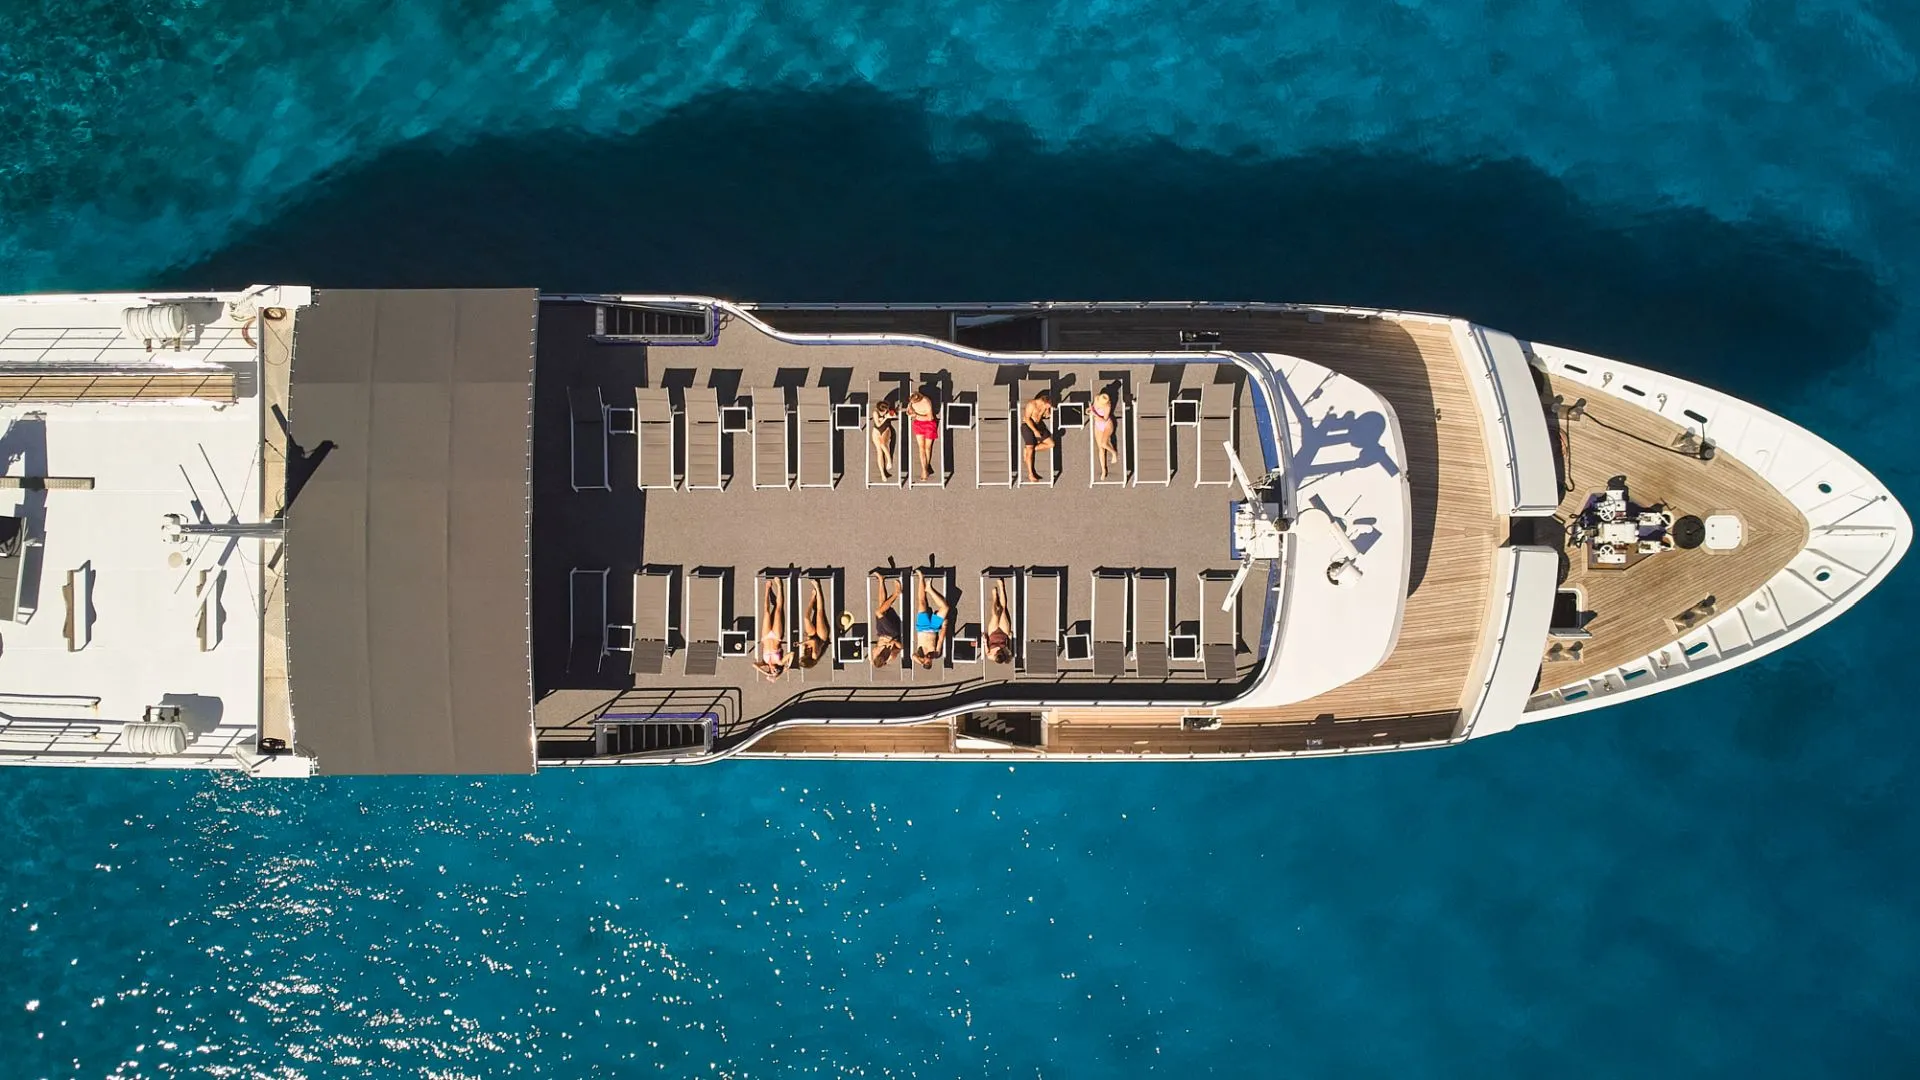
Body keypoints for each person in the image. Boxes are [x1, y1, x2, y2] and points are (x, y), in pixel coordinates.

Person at [752, 578, 792, 680]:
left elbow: (754, 665)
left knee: (766, 612)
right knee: (778, 610)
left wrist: (766, 674)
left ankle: (767, 589)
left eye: (772, 672)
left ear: (769, 670)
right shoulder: (779, 662)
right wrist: (787, 667)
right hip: (776, 637)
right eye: (776, 671)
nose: (775, 670)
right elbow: (791, 654)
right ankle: (779, 586)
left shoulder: (764, 663)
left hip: (765, 637)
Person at [911, 568, 950, 669]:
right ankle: (929, 589)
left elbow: (913, 656)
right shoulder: (936, 654)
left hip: (922, 627)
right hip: (934, 627)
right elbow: (941, 639)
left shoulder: (919, 655)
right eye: (930, 662)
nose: (928, 660)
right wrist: (944, 626)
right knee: (945, 608)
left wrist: (921, 661)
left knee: (922, 602)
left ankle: (921, 577)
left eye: (926, 662)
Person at [795, 578, 833, 669]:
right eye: (802, 658)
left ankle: (812, 598)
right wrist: (801, 643)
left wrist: (806, 638)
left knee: (806, 619)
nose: (801, 656)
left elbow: (809, 640)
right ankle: (817, 587)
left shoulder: (805, 654)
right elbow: (813, 642)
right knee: (819, 613)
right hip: (821, 638)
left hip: (812, 636)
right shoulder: (814, 656)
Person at [870, 571, 904, 668]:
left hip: (881, 632)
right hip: (891, 633)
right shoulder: (890, 657)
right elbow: (901, 647)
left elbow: (873, 654)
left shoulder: (874, 656)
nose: (877, 654)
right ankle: (896, 594)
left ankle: (881, 579)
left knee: (881, 605)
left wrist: (874, 656)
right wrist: (893, 643)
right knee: (879, 612)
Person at [1021, 389, 1055, 483]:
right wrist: (1035, 431)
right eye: (1048, 405)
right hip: (1027, 426)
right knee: (1030, 450)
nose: (1049, 407)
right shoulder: (1032, 405)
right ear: (1044, 402)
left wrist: (1047, 413)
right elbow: (1027, 419)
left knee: (1051, 444)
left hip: (1039, 424)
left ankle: (1028, 449)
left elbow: (1043, 416)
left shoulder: (1045, 406)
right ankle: (1031, 474)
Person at [908, 391, 940, 482]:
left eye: (914, 402)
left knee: (927, 448)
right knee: (921, 448)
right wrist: (909, 411)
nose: (912, 403)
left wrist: (916, 415)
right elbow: (909, 408)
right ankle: (924, 470)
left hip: (929, 424)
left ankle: (925, 468)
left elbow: (930, 418)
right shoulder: (912, 401)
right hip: (918, 424)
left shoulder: (926, 402)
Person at [1091, 390, 1119, 481]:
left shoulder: (1107, 406)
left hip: (1106, 424)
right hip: (1098, 425)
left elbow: (1104, 419)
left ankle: (1114, 453)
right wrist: (1091, 411)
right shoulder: (1096, 398)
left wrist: (1095, 414)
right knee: (1101, 449)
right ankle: (1104, 469)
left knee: (1103, 443)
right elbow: (1093, 407)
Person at [985, 577, 1014, 665]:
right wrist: (1010, 638)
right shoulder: (1007, 653)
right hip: (1003, 632)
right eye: (1000, 652)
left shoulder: (990, 656)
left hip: (992, 633)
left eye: (997, 653)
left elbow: (985, 645)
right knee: (1003, 610)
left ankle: (994, 598)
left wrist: (984, 640)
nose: (998, 650)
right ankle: (1001, 587)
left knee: (995, 615)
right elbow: (1010, 644)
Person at [870, 399, 898, 480]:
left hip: (886, 429)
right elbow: (878, 424)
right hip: (877, 430)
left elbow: (895, 415)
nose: (886, 412)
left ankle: (889, 460)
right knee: (879, 451)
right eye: (884, 411)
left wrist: (892, 415)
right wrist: (885, 417)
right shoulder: (875, 413)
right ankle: (883, 474)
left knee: (883, 444)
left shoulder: (887, 410)